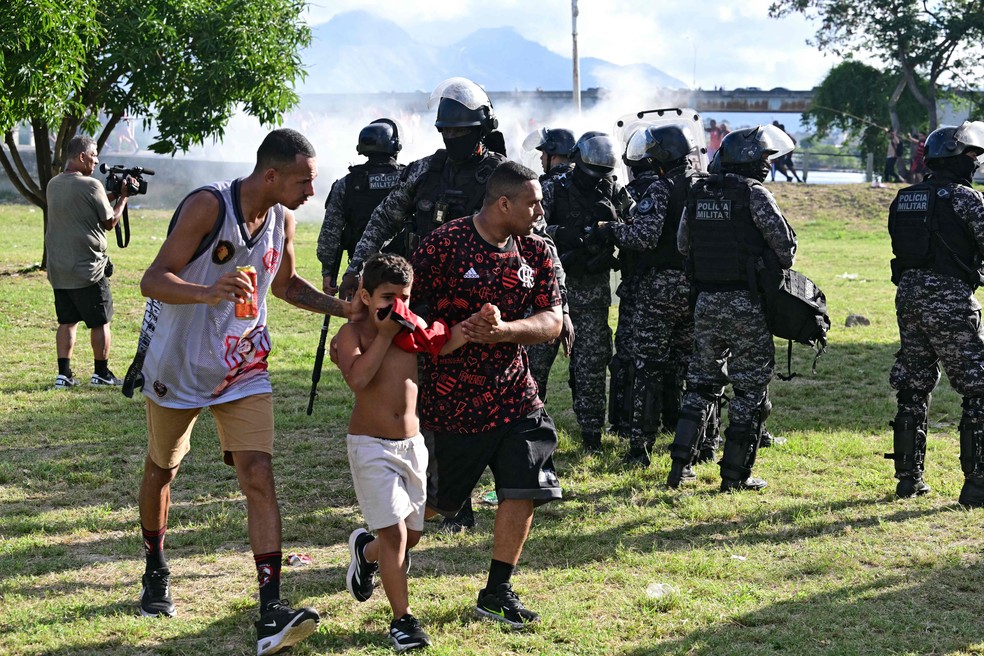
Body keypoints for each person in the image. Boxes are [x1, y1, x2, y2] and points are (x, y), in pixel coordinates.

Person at [135, 129, 359, 655]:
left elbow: (284, 287)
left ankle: (271, 609)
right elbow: (153, 279)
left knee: (258, 472)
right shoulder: (208, 206)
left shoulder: (282, 220)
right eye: (305, 179)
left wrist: (343, 309)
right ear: (272, 175)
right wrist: (208, 290)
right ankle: (155, 566)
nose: (312, 189)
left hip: (243, 366)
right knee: (161, 469)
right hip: (178, 365)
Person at [336, 78, 507, 533]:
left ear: (482, 127)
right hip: (423, 305)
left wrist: (557, 306)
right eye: (445, 132)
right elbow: (383, 219)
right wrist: (357, 268)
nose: (452, 140)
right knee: (431, 405)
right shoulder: (423, 172)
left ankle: (478, 492)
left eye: (462, 131)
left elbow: (534, 238)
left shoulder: (502, 175)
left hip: (481, 309)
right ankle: (446, 501)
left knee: (480, 406)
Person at [409, 161, 563, 627]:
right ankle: (372, 549)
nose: (540, 210)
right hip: (453, 403)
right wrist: (460, 331)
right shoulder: (442, 246)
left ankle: (497, 592)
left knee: (525, 486)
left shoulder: (537, 252)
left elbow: (553, 319)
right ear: (503, 203)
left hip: (516, 395)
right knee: (439, 506)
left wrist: (503, 332)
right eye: (532, 202)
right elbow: (409, 320)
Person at [334, 253, 477, 652]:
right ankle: (403, 620)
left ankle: (365, 551)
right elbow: (359, 380)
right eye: (387, 297)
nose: (397, 307)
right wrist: (381, 334)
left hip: (412, 446)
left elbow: (442, 341)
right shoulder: (353, 335)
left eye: (405, 297)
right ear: (365, 295)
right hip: (371, 446)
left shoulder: (410, 330)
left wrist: (473, 326)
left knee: (411, 535)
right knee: (396, 535)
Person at [669, 124, 798, 491]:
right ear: (749, 161)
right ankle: (735, 477)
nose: (767, 165)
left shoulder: (698, 193)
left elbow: (683, 245)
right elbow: (785, 250)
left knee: (700, 383)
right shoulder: (754, 194)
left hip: (706, 301)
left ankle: (680, 469)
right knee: (750, 388)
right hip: (746, 303)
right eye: (763, 158)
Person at [590, 123, 704, 467]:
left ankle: (640, 449)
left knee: (648, 369)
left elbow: (644, 237)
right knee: (692, 369)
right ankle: (699, 445)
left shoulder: (661, 188)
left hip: (659, 291)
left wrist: (610, 229)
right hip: (697, 288)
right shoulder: (704, 184)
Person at [886, 120, 984, 507]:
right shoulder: (966, 199)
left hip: (908, 296)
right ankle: (977, 485)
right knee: (978, 388)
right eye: (971, 156)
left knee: (913, 383)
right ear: (956, 158)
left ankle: (908, 480)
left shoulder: (905, 197)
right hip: (949, 297)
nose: (975, 163)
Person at [542, 132, 634, 452]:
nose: (593, 180)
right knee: (534, 364)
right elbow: (528, 227)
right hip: (548, 292)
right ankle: (525, 428)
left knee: (593, 365)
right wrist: (562, 234)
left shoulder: (614, 189)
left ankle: (592, 436)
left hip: (592, 293)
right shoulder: (553, 188)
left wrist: (611, 228)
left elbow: (637, 226)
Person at [44, 135, 130, 389]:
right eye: (93, 155)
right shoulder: (91, 185)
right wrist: (124, 198)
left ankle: (64, 374)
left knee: (67, 321)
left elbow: (86, 201)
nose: (96, 160)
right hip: (88, 270)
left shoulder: (53, 184)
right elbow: (109, 222)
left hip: (59, 269)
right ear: (82, 157)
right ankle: (101, 373)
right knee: (100, 321)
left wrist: (113, 192)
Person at [317, 119, 405, 293]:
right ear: (395, 146)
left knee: (360, 319)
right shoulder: (409, 179)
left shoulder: (346, 184)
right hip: (405, 274)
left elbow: (330, 235)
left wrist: (328, 272)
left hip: (361, 275)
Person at [522, 127, 577, 402]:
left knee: (535, 369)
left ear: (552, 154)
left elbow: (536, 231)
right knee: (585, 365)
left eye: (544, 152)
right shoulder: (589, 182)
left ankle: (531, 417)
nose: (541, 158)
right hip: (589, 285)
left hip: (548, 288)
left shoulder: (548, 187)